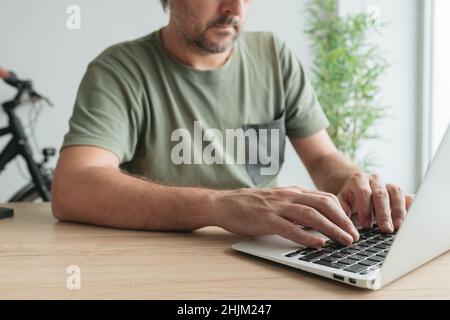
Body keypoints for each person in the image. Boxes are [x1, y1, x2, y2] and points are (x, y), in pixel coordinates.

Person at [52, 0, 413, 249]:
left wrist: (354, 183)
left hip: (267, 257)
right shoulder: (120, 71)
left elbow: (322, 159)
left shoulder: (274, 56)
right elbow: (72, 188)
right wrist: (220, 206)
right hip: (159, 263)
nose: (235, 10)